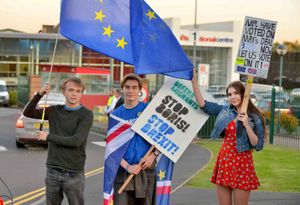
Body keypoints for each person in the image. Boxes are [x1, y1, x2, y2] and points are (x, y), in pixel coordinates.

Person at [191, 71, 265, 205]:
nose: (232, 97)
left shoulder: (254, 116)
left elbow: (258, 145)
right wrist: (194, 82)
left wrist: (247, 125)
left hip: (242, 163)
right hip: (225, 161)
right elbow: (203, 104)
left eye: (236, 93)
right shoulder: (224, 110)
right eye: (229, 94)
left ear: (243, 94)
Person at [23, 77, 93, 205]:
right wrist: (39, 95)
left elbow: (76, 141)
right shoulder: (54, 110)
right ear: (64, 92)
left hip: (74, 173)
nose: (74, 94)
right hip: (53, 171)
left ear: (82, 93)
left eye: (78, 91)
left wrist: (48, 137)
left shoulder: (86, 114)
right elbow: (28, 112)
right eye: (71, 90)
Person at [111, 74, 159, 205]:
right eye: (127, 87)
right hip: (123, 172)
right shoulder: (115, 115)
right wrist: (127, 166)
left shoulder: (148, 110)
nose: (130, 91)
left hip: (145, 171)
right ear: (122, 89)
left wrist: (153, 155)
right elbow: (112, 149)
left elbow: (162, 137)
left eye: (134, 87)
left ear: (140, 90)